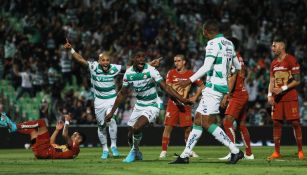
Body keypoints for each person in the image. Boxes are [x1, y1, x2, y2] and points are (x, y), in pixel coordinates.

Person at [64, 40, 160, 160]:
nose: (105, 63)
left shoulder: (114, 68)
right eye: (103, 60)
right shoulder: (93, 67)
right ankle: (105, 149)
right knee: (101, 126)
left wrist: (149, 65)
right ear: (99, 61)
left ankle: (114, 146)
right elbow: (80, 59)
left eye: (107, 60)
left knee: (112, 120)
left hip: (111, 99)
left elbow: (131, 68)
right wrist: (71, 49)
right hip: (98, 101)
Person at [169, 19, 243, 164]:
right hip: (218, 86)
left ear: (207, 32)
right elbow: (237, 66)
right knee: (197, 119)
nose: (203, 35)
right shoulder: (229, 43)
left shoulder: (212, 43)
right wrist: (228, 72)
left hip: (214, 87)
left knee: (207, 123)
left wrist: (189, 80)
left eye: (203, 32)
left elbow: (207, 66)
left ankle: (235, 151)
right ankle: (185, 155)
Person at [105, 51, 192, 163]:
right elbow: (122, 94)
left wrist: (182, 99)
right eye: (138, 57)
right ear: (134, 59)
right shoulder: (129, 73)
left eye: (143, 57)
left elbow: (165, 87)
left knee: (137, 128)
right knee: (130, 134)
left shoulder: (151, 70)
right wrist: (111, 112)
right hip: (139, 105)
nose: (141, 59)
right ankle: (137, 152)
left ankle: (133, 151)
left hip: (153, 104)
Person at [159, 54, 204, 159]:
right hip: (173, 104)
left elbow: (202, 86)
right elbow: (168, 89)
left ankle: (189, 150)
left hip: (185, 106)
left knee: (188, 129)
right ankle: (164, 151)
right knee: (168, 127)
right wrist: (179, 99)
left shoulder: (190, 74)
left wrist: (195, 97)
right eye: (175, 61)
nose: (176, 63)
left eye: (179, 61)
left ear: (184, 62)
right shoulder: (171, 73)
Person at [267, 36, 304, 160]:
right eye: (272, 46)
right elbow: (271, 80)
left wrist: (282, 89)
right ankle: (276, 152)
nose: (272, 48)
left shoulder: (291, 60)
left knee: (295, 123)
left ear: (282, 46)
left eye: (274, 45)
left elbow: (298, 81)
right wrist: (269, 95)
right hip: (277, 98)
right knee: (276, 123)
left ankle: (300, 151)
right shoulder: (273, 63)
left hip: (289, 96)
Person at [219, 37, 254, 160]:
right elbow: (244, 72)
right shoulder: (239, 57)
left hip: (237, 95)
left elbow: (232, 78)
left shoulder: (233, 58)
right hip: (243, 93)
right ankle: (249, 153)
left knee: (227, 122)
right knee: (241, 125)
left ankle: (233, 152)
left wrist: (226, 95)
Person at [0, 112, 85, 159]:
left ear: (80, 140)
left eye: (76, 135)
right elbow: (51, 142)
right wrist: (57, 130)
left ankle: (14, 126)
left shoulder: (75, 147)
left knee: (41, 122)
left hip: (45, 151)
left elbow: (64, 134)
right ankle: (10, 126)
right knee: (33, 131)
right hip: (40, 151)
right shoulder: (67, 148)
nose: (73, 135)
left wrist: (67, 121)